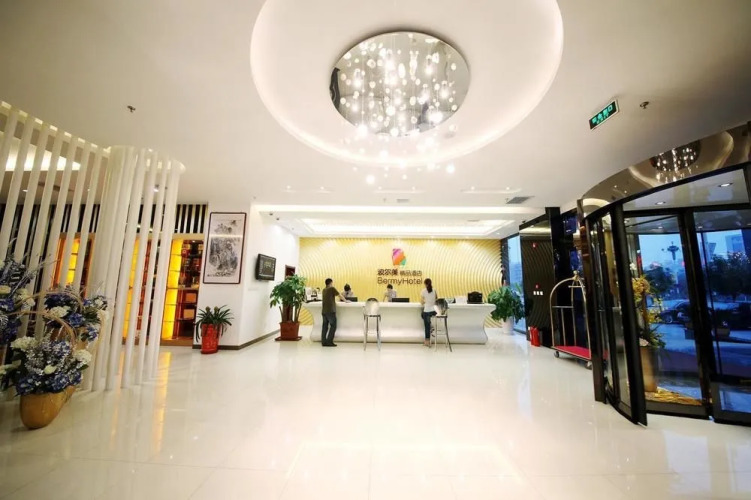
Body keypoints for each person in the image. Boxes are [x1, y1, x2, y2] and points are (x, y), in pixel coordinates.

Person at [321, 278, 348, 347]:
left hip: (324, 311)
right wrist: (346, 301)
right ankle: (329, 341)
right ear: (330, 283)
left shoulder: (324, 290)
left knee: (325, 327)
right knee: (333, 326)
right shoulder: (332, 288)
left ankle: (324, 342)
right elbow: (339, 295)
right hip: (330, 310)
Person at [420, 278, 437, 346]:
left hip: (427, 311)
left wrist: (425, 302)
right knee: (422, 315)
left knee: (426, 327)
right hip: (434, 311)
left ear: (425, 284)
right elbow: (436, 299)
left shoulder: (423, 291)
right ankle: (431, 326)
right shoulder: (434, 290)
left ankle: (427, 342)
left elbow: (421, 302)